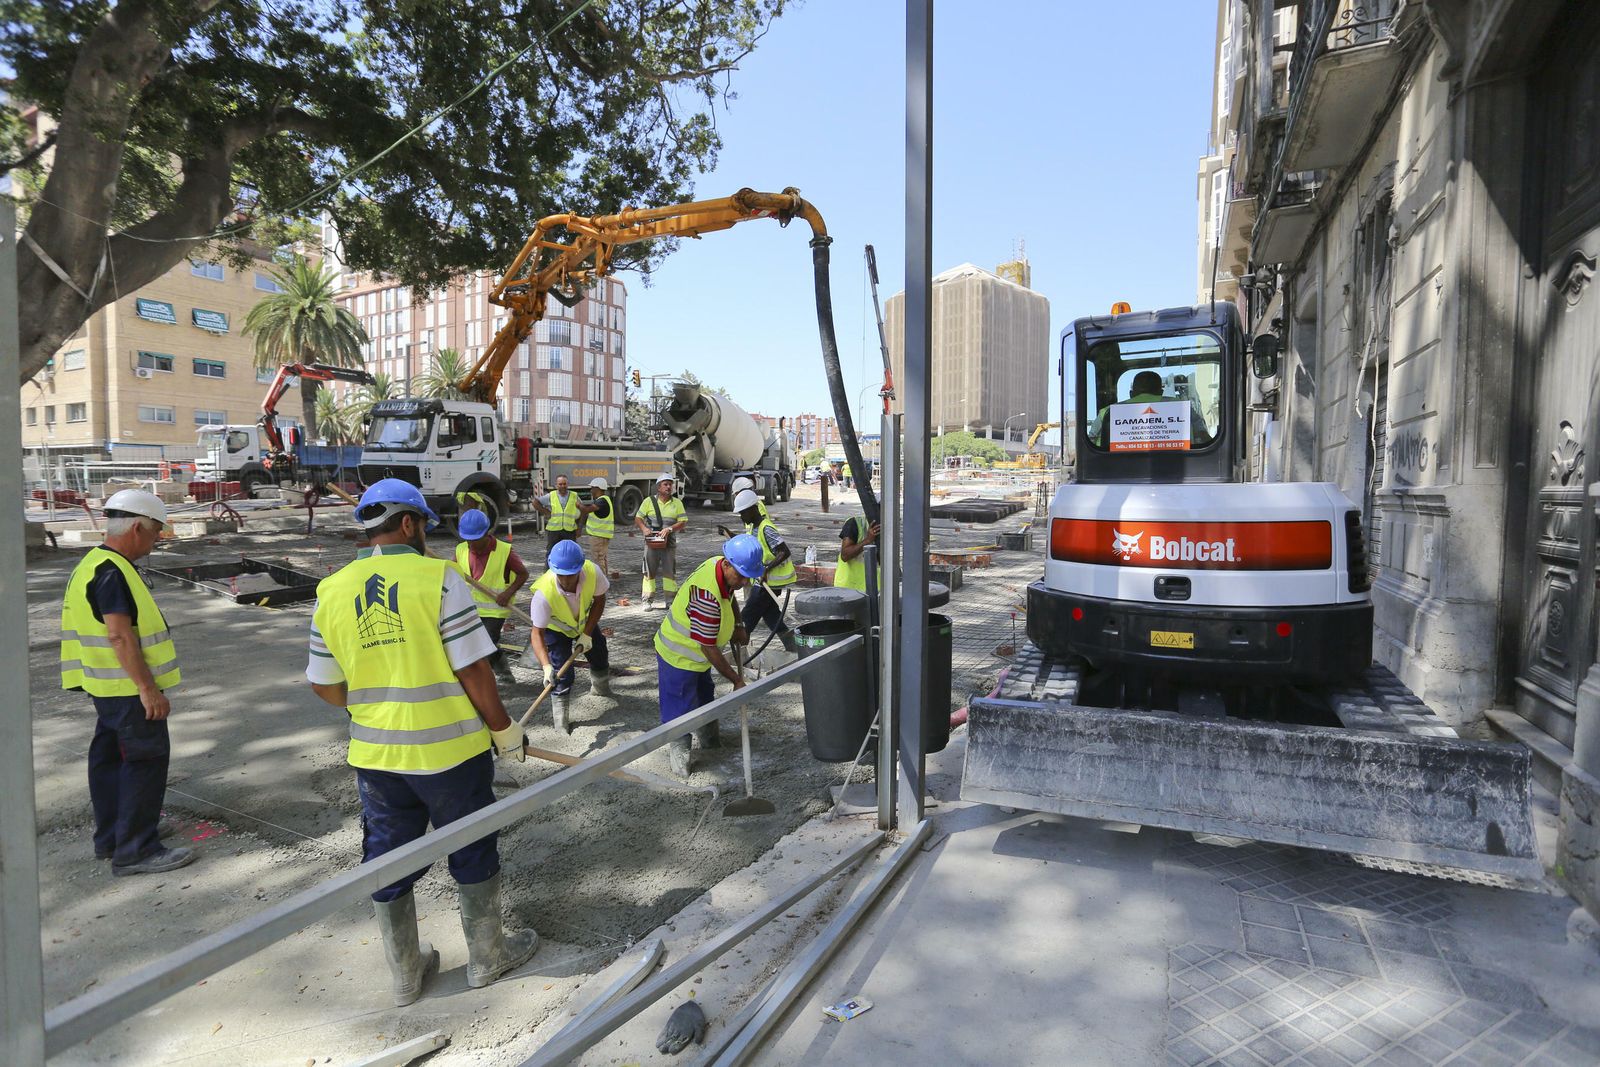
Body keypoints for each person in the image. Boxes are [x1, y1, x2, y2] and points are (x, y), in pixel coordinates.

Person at [306, 479, 537, 1007]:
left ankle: (406, 976)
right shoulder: (439, 578)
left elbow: (323, 683)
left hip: (376, 757)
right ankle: (487, 959)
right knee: (471, 845)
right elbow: (474, 668)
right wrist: (504, 729)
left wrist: (375, 706)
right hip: (450, 752)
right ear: (408, 524)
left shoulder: (332, 589)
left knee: (386, 857)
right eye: (423, 528)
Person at [60, 489, 197, 876]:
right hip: (126, 690)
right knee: (144, 762)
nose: (154, 542)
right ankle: (137, 849)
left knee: (109, 762)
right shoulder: (112, 572)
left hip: (106, 688)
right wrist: (147, 688)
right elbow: (120, 635)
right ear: (137, 527)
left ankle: (113, 837)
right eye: (155, 534)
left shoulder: (92, 563)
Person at [653, 535, 763, 778]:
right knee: (680, 708)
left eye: (748, 576)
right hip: (678, 656)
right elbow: (708, 647)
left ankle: (710, 741)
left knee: (705, 695)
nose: (743, 581)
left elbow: (730, 595)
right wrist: (736, 680)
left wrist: (738, 623)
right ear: (727, 564)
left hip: (698, 657)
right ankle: (680, 759)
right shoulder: (706, 596)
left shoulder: (719, 567)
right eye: (741, 575)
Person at [525, 539, 610, 734]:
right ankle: (561, 720)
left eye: (570, 575)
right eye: (561, 575)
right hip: (558, 629)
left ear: (579, 568)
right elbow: (537, 633)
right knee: (561, 672)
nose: (565, 580)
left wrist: (587, 633)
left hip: (584, 622)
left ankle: (601, 688)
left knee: (599, 653)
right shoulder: (543, 594)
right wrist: (546, 667)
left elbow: (599, 600)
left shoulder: (592, 572)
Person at [453, 508, 527, 685]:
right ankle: (505, 673)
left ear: (486, 533)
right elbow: (453, 573)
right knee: (483, 643)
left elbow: (523, 574)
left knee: (485, 641)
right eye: (467, 539)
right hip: (470, 608)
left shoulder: (504, 551)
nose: (471, 544)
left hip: (495, 609)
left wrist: (508, 593)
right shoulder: (461, 549)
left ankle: (481, 682)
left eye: (475, 539)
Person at [733, 488, 798, 653]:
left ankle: (741, 659)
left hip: (768, 584)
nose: (741, 517)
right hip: (762, 583)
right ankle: (792, 646)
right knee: (771, 616)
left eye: (743, 513)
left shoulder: (766, 528)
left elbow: (784, 551)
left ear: (752, 509)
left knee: (746, 619)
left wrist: (766, 569)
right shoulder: (753, 528)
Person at [636, 473, 687, 606]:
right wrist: (644, 529)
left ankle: (670, 602)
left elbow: (683, 521)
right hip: (651, 542)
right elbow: (638, 517)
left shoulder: (677, 503)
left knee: (669, 572)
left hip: (669, 543)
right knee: (649, 571)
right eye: (665, 484)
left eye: (670, 484)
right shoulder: (648, 501)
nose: (669, 487)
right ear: (659, 487)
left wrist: (669, 529)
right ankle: (647, 600)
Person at [532, 475, 582, 560]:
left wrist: (579, 528)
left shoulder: (574, 496)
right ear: (556, 485)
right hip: (554, 530)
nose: (562, 486)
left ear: (567, 484)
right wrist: (545, 512)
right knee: (551, 553)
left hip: (569, 530)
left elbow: (582, 511)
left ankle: (569, 571)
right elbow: (535, 502)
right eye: (560, 484)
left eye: (564, 484)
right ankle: (548, 571)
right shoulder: (551, 495)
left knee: (570, 553)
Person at [835, 512, 882, 592]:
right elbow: (845, 555)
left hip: (875, 590)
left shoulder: (889, 526)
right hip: (849, 589)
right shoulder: (855, 523)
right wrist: (867, 540)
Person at [577, 477, 615, 576]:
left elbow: (586, 510)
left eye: (592, 488)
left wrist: (579, 505)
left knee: (598, 560)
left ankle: (600, 584)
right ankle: (604, 581)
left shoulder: (601, 501)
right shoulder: (603, 500)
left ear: (598, 488)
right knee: (602, 559)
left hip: (599, 537)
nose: (591, 490)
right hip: (601, 537)